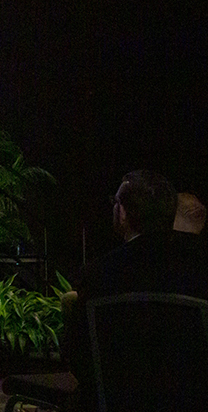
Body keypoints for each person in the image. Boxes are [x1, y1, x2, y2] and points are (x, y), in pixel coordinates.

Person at [62, 170, 208, 408]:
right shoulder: (200, 267)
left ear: (122, 213)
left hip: (119, 402)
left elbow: (80, 358)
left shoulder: (99, 274)